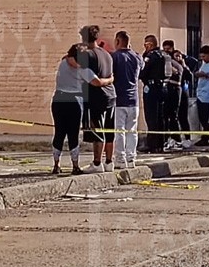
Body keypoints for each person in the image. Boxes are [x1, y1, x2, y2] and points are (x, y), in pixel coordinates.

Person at [50, 44, 92, 176]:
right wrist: (110, 79)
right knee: (73, 134)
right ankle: (75, 165)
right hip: (74, 101)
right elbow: (97, 82)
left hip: (58, 99)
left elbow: (68, 58)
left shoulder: (63, 62)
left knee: (59, 133)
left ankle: (56, 165)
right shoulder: (83, 69)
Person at [80, 25, 117, 173]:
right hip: (111, 95)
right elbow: (112, 75)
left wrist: (103, 82)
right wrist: (110, 80)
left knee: (97, 130)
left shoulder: (87, 55)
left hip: (96, 96)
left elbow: (93, 81)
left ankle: (97, 163)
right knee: (110, 130)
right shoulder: (106, 54)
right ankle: (109, 161)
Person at [111, 31, 145, 169]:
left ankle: (120, 158)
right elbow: (142, 68)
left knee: (120, 130)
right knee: (132, 131)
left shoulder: (115, 57)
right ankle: (131, 158)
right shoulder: (137, 57)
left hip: (119, 99)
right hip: (134, 100)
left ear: (118, 41)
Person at [140, 34, 167, 154]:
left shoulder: (150, 56)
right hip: (162, 87)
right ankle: (160, 144)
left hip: (151, 88)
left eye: (146, 44)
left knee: (151, 117)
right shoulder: (163, 55)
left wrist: (144, 55)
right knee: (160, 117)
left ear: (150, 44)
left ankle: (152, 145)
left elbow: (143, 72)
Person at [161, 41, 185, 152]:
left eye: (168, 49)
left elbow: (180, 74)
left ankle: (177, 140)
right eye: (164, 49)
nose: (166, 51)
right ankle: (167, 139)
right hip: (168, 90)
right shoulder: (166, 61)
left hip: (175, 90)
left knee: (173, 115)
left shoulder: (176, 62)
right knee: (165, 116)